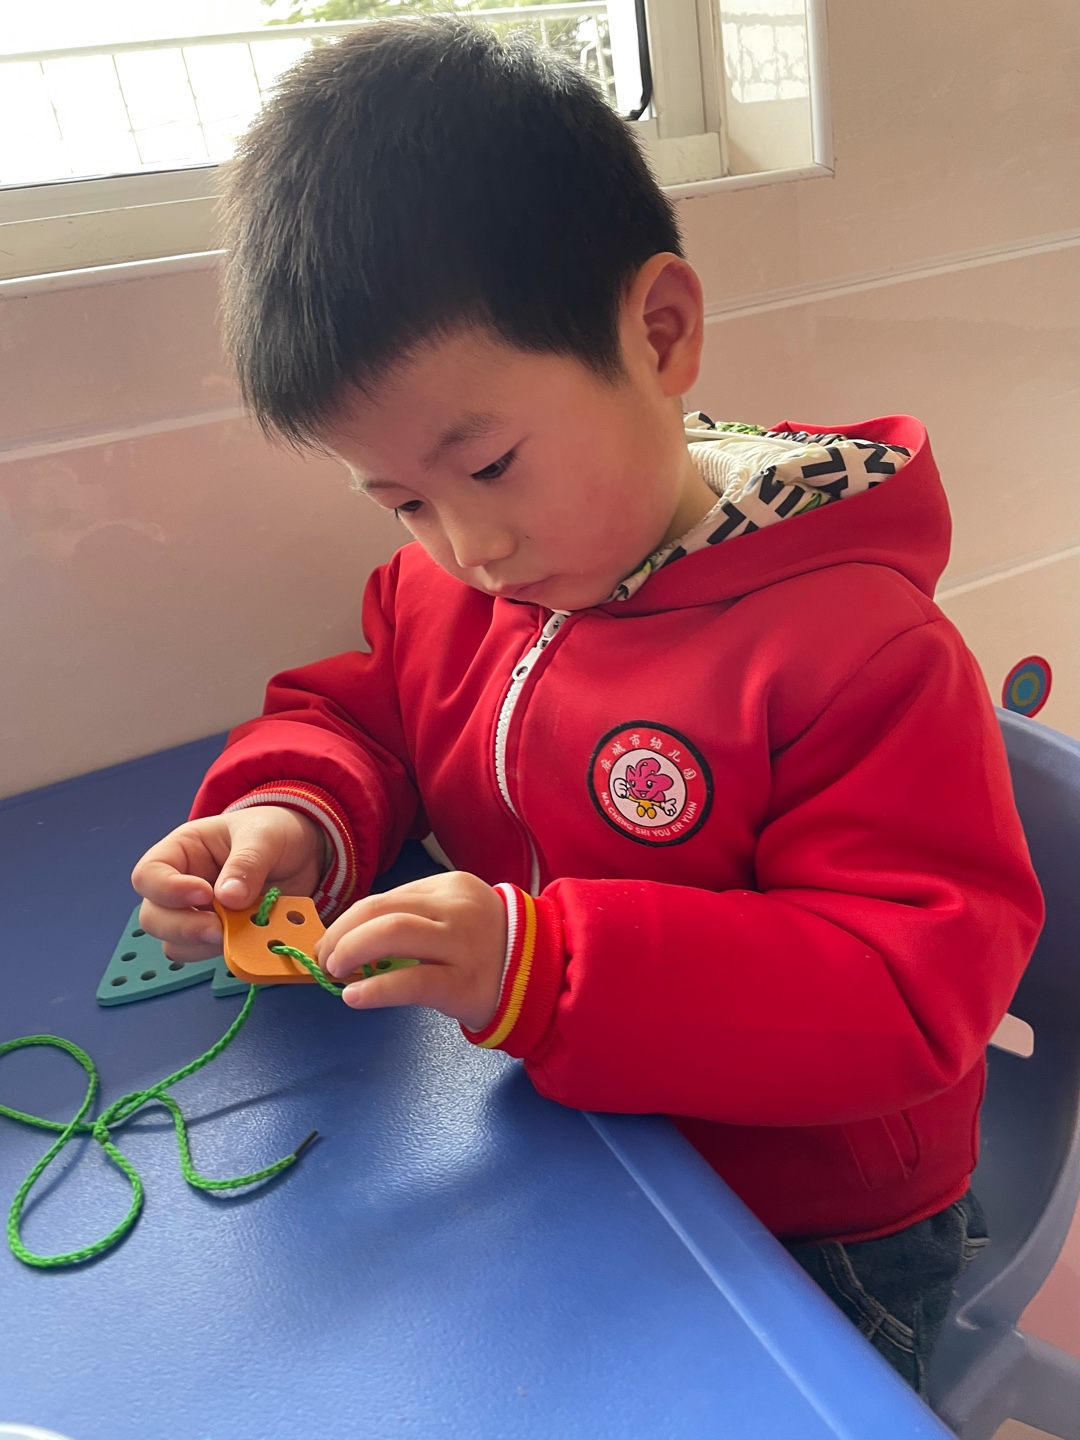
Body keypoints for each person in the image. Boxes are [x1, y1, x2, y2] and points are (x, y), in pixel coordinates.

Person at [131, 17, 1043, 1395]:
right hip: (581, 1141)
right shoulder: (460, 585)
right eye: (402, 501)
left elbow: (908, 993)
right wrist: (296, 817)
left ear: (660, 332)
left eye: (491, 464)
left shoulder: (862, 653)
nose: (469, 546)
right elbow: (365, 717)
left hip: (810, 1221)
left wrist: (545, 970)